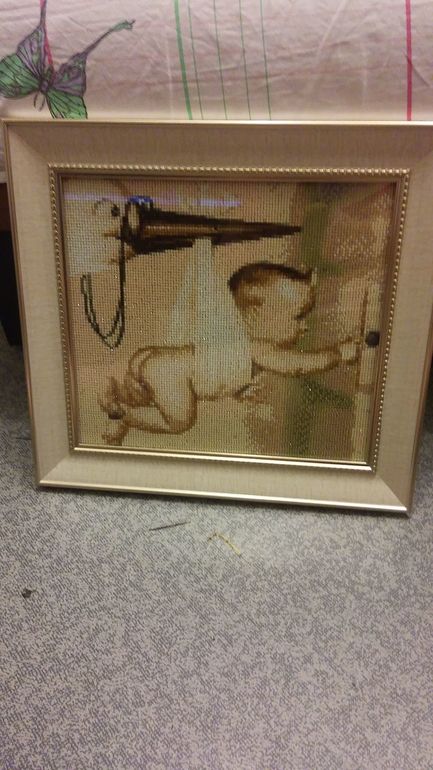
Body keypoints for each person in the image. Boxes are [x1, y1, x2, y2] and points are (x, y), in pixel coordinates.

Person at [98, 261, 359, 445]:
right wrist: (338, 354)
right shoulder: (258, 348)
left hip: (158, 361)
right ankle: (125, 417)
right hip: (173, 373)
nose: (305, 326)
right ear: (258, 316)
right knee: (180, 422)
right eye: (298, 316)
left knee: (153, 398)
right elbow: (298, 366)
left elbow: (219, 371)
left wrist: (237, 390)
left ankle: (118, 396)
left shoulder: (236, 341)